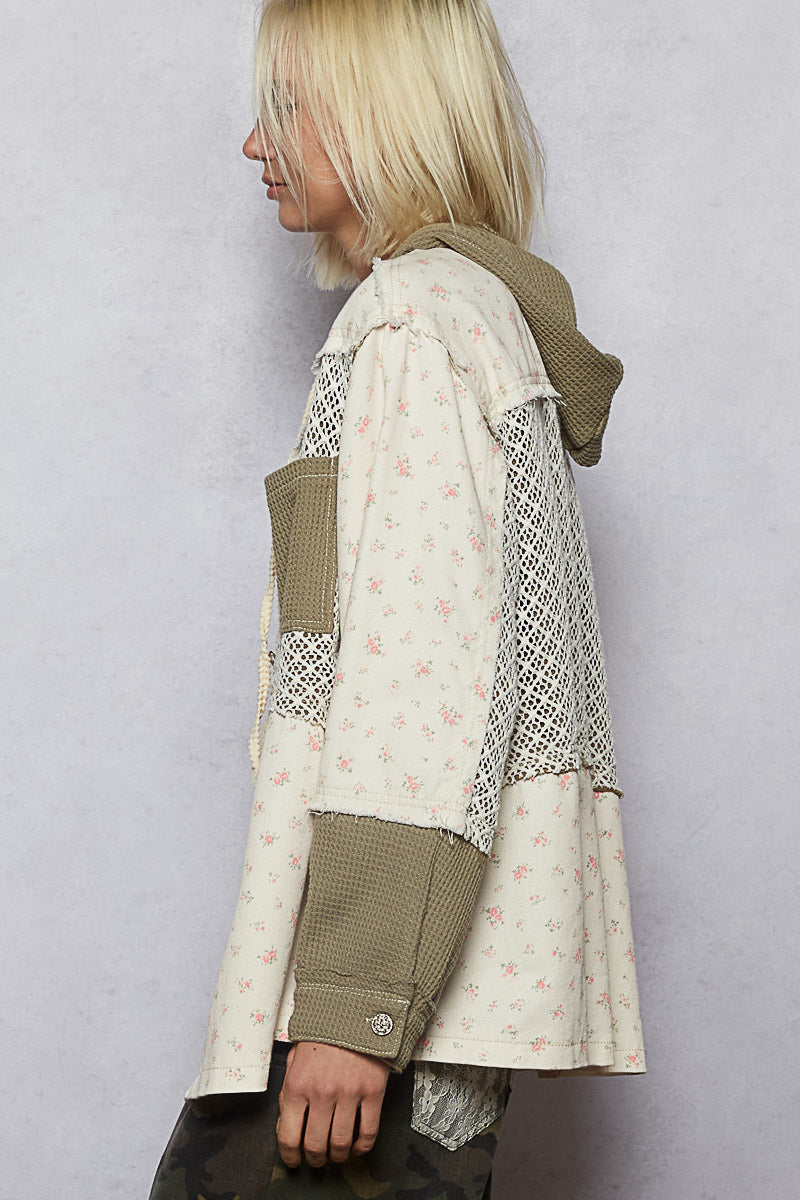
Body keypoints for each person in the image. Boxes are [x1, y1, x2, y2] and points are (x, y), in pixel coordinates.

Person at [147, 2, 647, 1197]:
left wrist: (354, 1004)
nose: (255, 142)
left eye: (286, 106)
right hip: (421, 987)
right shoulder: (476, 321)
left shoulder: (412, 326)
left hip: (375, 1000)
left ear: (384, 118)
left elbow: (421, 690)